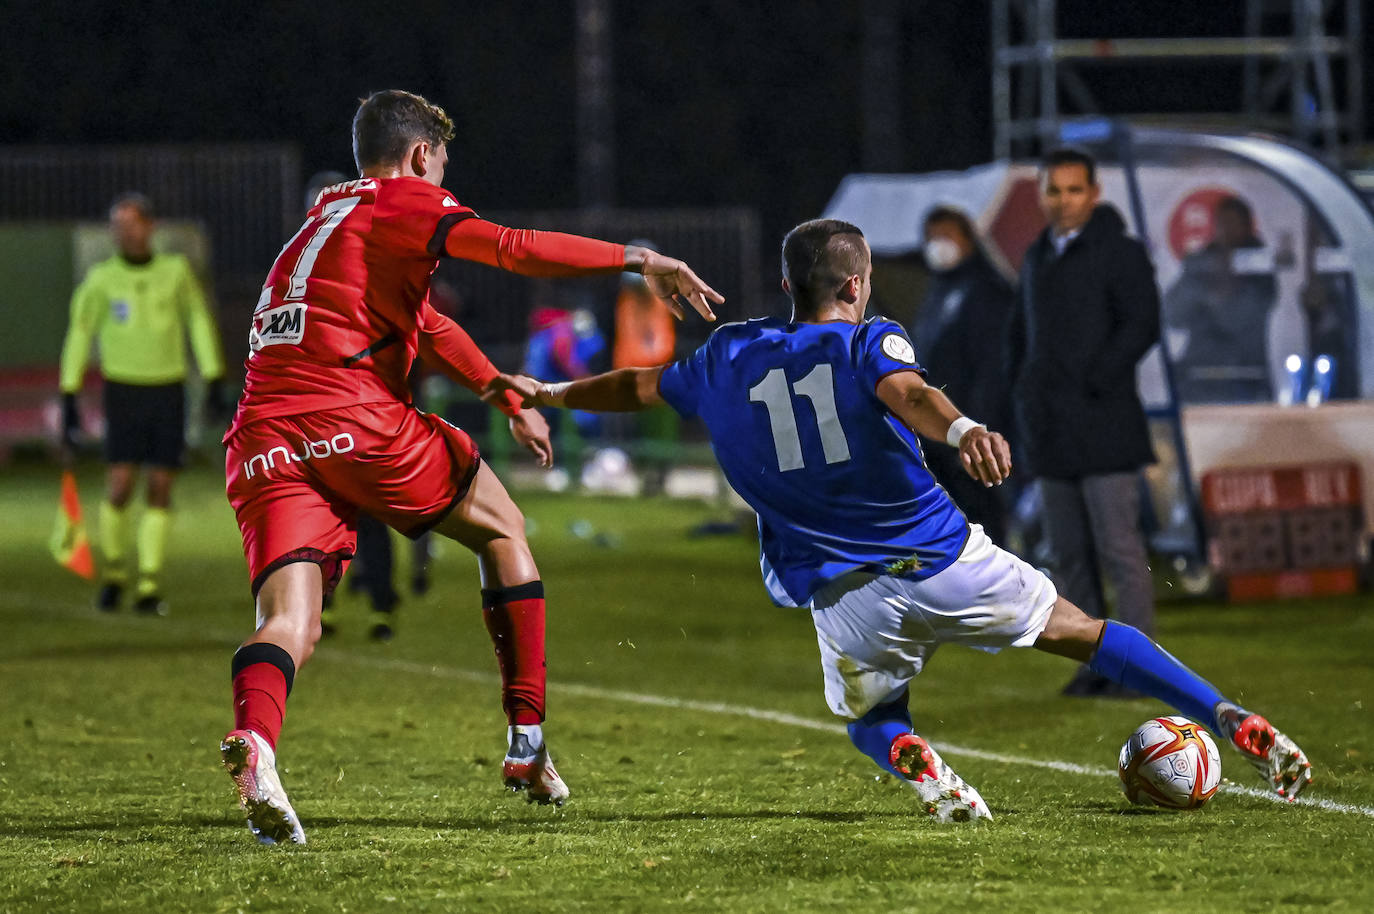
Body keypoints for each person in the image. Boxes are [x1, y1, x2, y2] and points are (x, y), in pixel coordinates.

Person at [492, 218, 1311, 822]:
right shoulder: (866, 341)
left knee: (870, 721)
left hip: (845, 598)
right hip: (945, 563)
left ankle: (925, 772)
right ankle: (1226, 714)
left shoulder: (726, 356)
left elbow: (637, 386)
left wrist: (555, 394)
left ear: (788, 287)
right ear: (855, 285)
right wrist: (961, 430)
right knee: (1085, 631)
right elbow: (908, 391)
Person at [219, 89, 722, 845]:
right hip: (352, 420)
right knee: (503, 527)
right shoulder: (402, 202)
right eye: (441, 165)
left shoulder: (322, 222)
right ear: (422, 156)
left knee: (290, 621)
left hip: (262, 435)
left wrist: (496, 389)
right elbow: (513, 247)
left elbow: (425, 322)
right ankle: (525, 742)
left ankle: (256, 745)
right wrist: (638, 258)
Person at [1006, 148, 1161, 698]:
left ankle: (1140, 666)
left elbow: (1142, 324)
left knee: (1120, 551)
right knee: (1069, 558)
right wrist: (1021, 395)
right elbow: (1020, 338)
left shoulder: (1120, 252)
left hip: (1104, 427)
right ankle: (1095, 663)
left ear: (1094, 194)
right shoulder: (1036, 256)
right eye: (1054, 190)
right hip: (1050, 433)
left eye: (1075, 190)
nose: (1064, 200)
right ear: (1041, 195)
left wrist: (1097, 377)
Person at [59, 192, 229, 615]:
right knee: (119, 485)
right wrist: (69, 393)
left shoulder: (175, 272)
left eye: (132, 223)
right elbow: (80, 334)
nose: (125, 232)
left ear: (150, 226)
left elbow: (197, 320)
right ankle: (115, 573)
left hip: (167, 390)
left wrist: (212, 376)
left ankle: (149, 583)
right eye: (117, 225)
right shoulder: (100, 279)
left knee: (160, 486)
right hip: (123, 392)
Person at [914, 205, 1015, 544]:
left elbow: (992, 369)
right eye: (931, 237)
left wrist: (975, 428)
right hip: (938, 432)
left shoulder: (986, 291)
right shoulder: (937, 291)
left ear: (969, 241)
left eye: (946, 236)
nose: (937, 244)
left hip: (972, 432)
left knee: (984, 526)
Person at [1163, 194, 1278, 404]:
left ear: (1247, 227)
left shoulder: (1259, 268)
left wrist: (1223, 290)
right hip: (1198, 378)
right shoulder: (1201, 262)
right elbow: (1172, 316)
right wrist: (1203, 283)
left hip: (1244, 379)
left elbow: (1238, 321)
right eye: (1221, 223)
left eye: (1233, 224)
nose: (1226, 231)